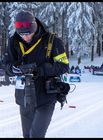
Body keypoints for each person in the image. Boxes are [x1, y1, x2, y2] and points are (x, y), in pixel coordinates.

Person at [5, 10, 69, 138]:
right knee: (27, 135)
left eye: (28, 34)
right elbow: (6, 65)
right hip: (24, 97)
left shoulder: (53, 41)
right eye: (22, 35)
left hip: (46, 97)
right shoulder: (13, 41)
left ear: (35, 27)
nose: (26, 37)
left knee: (36, 136)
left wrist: (40, 70)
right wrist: (13, 69)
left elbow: (63, 66)